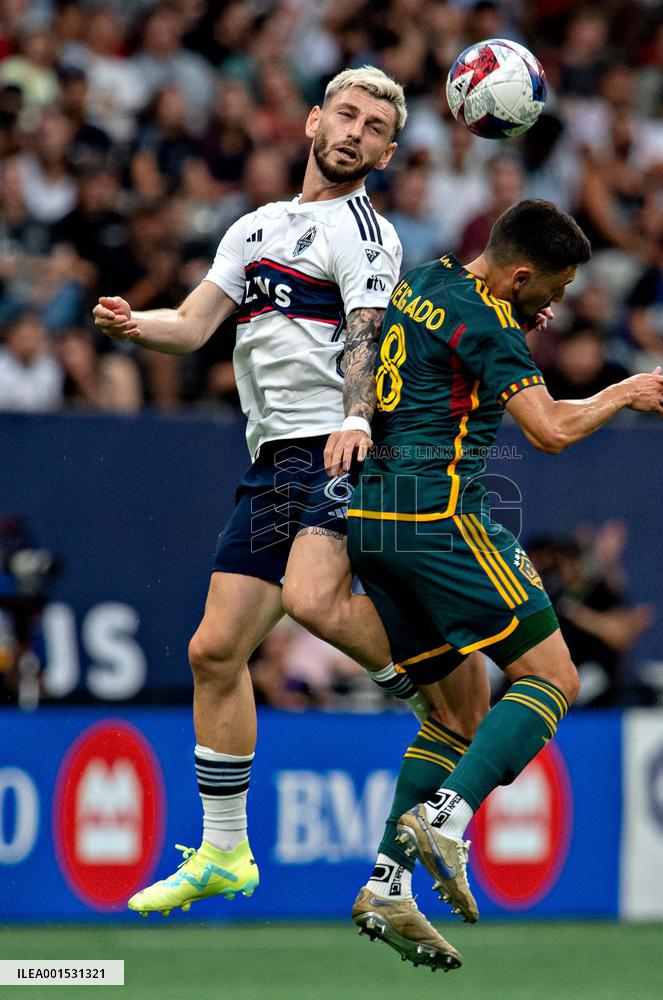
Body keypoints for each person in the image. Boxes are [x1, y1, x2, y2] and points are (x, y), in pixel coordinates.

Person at [92, 66, 439, 917]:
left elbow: (363, 334)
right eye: (345, 115)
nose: (355, 132)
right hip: (270, 458)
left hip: (333, 447)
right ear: (314, 121)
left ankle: (447, 699)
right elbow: (196, 323)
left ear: (387, 154)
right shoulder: (252, 229)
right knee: (214, 653)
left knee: (314, 603)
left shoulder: (366, 233)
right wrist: (140, 326)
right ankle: (224, 853)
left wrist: (356, 418)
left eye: (374, 128)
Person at [346, 200, 663, 970]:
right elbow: (552, 431)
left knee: (455, 711)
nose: (555, 306)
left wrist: (503, 332)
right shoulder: (494, 323)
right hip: (439, 520)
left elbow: (448, 355)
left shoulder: (427, 279)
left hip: (371, 524)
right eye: (553, 289)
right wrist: (624, 391)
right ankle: (449, 815)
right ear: (520, 274)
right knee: (554, 675)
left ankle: (385, 880)